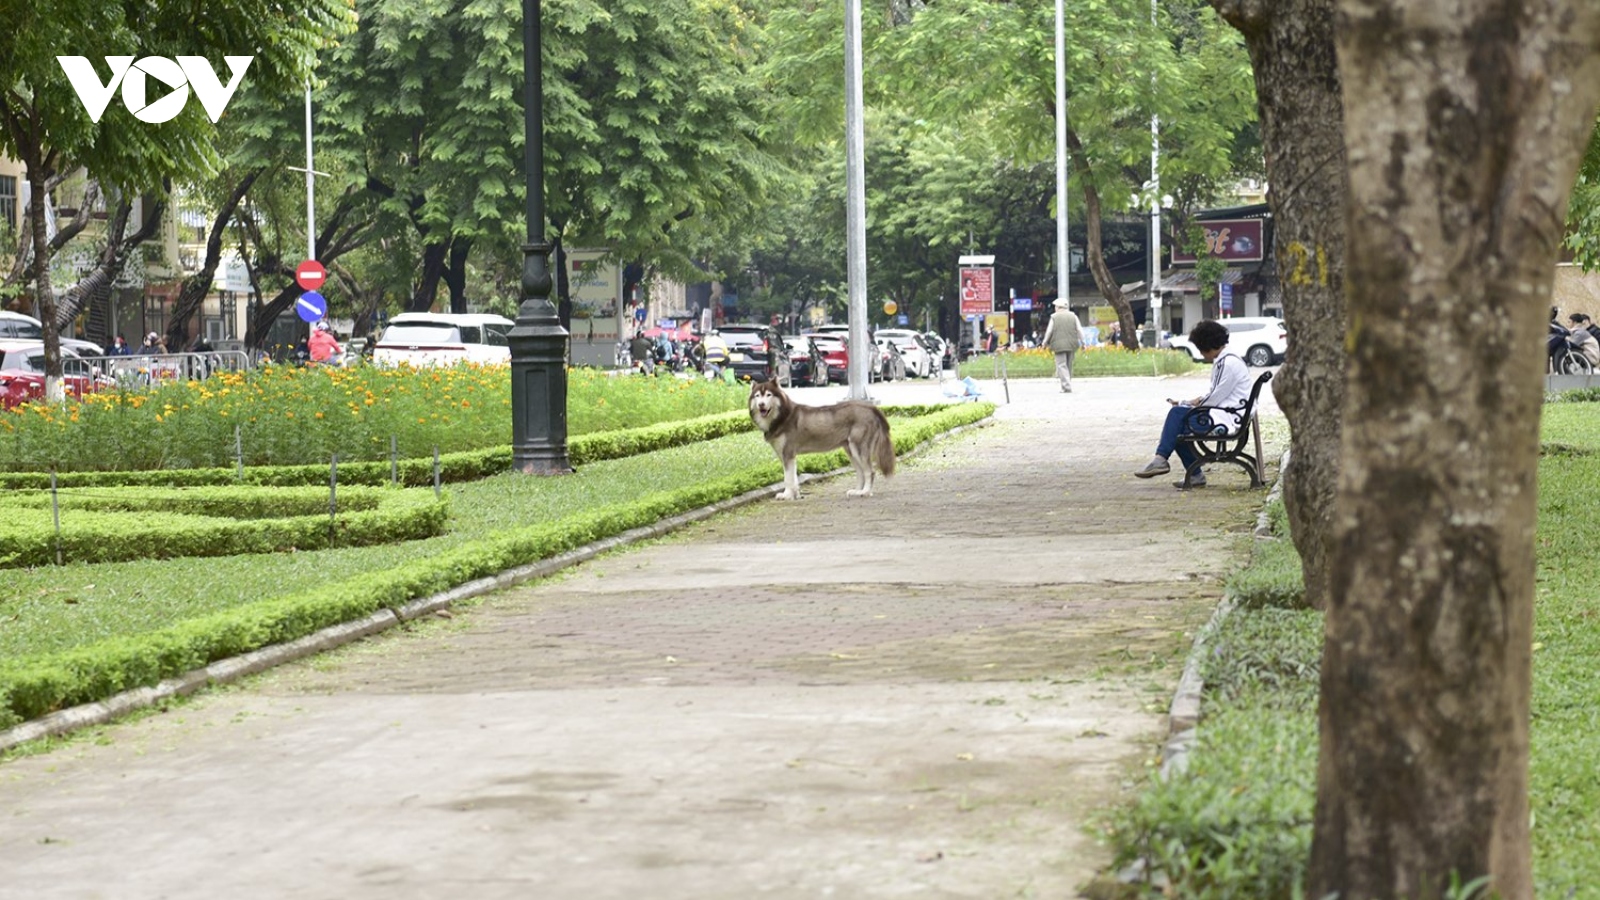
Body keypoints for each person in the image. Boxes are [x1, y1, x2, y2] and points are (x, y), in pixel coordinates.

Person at [1134, 319, 1253, 489]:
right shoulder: (1227, 360)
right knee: (1178, 423)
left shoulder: (1228, 363)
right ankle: (1189, 472)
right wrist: (1189, 402)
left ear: (1207, 345)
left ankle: (1162, 460)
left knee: (1176, 417)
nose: (1201, 353)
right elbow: (1217, 394)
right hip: (1228, 413)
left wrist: (1188, 404)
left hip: (1226, 419)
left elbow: (1214, 398)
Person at [1040, 297, 1084, 393]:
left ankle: (1066, 386)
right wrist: (1083, 342)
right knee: (1068, 365)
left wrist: (1044, 342)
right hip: (1072, 344)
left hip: (1058, 344)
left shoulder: (1054, 317)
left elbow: (1049, 331)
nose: (1055, 308)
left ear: (1058, 307)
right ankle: (1066, 385)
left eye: (1055, 306)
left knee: (1061, 365)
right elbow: (1079, 329)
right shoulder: (1073, 316)